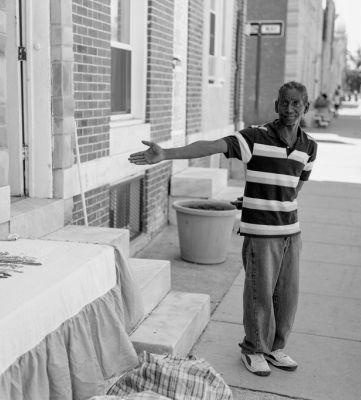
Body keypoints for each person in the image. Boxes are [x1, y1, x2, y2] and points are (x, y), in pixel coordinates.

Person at [128, 81, 318, 377]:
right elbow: (212, 145)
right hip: (261, 233)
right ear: (275, 105)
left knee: (287, 296)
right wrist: (166, 153)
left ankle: (275, 347)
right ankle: (254, 349)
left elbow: (295, 188)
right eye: (285, 102)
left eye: (296, 104)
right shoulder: (256, 137)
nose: (290, 109)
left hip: (291, 233)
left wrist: (265, 200)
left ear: (305, 107)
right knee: (260, 293)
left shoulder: (310, 147)